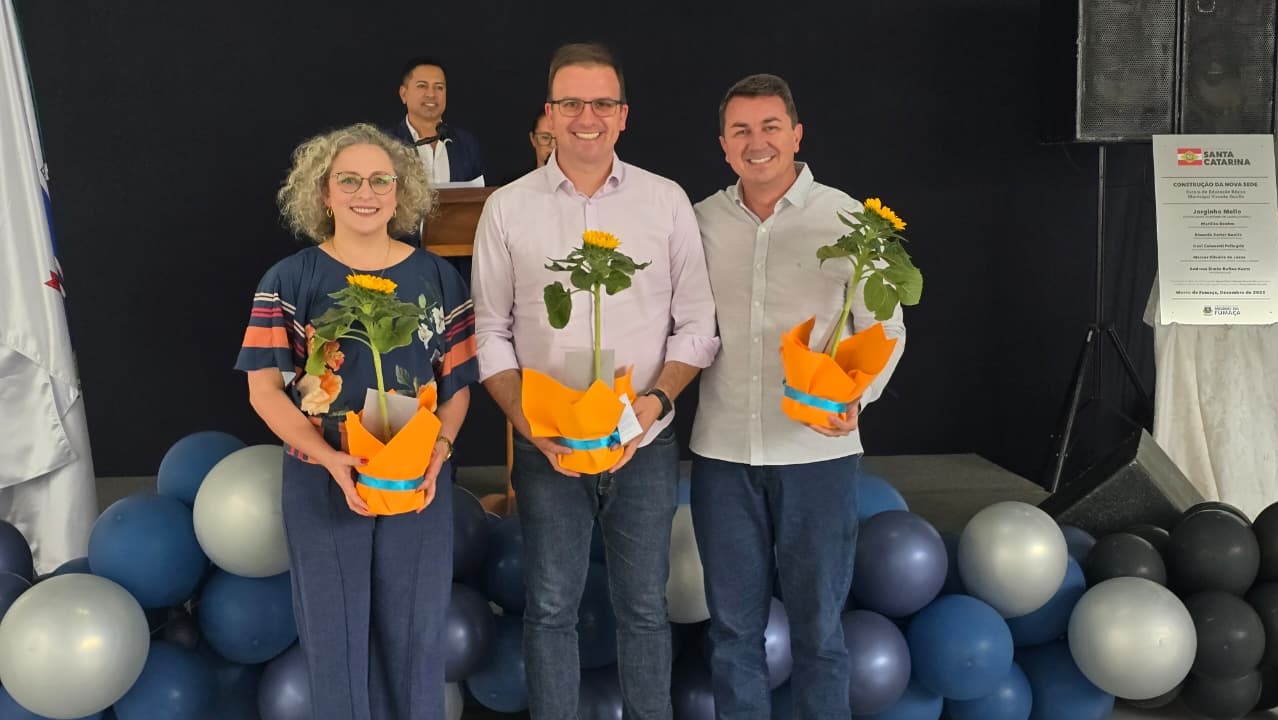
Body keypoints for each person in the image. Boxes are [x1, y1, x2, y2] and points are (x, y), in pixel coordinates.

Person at [471, 42, 719, 719]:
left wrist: (653, 403)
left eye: (603, 103)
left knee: (644, 609)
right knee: (550, 608)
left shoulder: (665, 202)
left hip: (645, 443)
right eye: (572, 103)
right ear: (549, 114)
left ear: (624, 114)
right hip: (546, 445)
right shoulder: (508, 208)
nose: (588, 117)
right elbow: (489, 332)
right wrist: (529, 424)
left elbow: (697, 326)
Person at [235, 123, 477, 720]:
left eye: (379, 181)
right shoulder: (289, 281)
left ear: (401, 192)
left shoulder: (439, 279)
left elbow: (457, 389)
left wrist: (440, 451)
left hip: (417, 480)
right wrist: (327, 458)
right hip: (323, 477)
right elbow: (264, 390)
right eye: (348, 180)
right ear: (323, 193)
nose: (364, 193)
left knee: (417, 644)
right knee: (334, 644)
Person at [690, 74, 906, 718]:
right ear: (723, 145)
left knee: (820, 634)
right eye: (740, 131)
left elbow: (885, 328)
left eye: (770, 127)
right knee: (732, 635)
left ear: (797, 135)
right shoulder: (698, 223)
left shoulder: (851, 222)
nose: (756, 142)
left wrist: (858, 399)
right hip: (723, 455)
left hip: (817, 457)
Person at [390, 56, 485, 185]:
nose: (431, 94)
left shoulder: (466, 145)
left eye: (439, 87)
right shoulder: (387, 144)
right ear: (403, 94)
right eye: (422, 86)